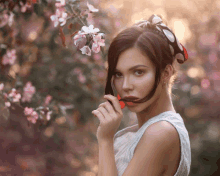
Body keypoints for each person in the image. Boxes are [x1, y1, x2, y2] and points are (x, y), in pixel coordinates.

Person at [92, 14, 191, 176]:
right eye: (118, 74)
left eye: (138, 72)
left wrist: (105, 140)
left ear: (166, 73)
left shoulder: (161, 133)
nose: (125, 86)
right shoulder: (143, 132)